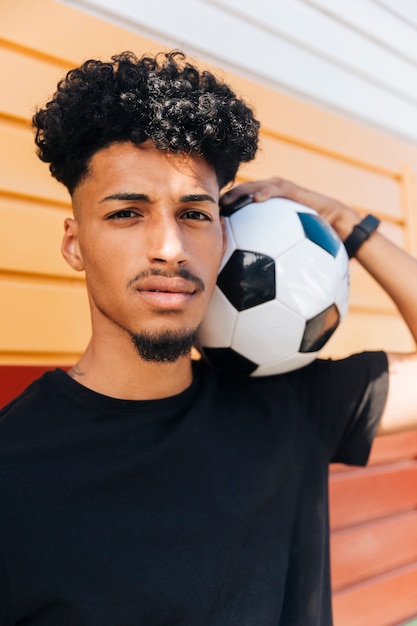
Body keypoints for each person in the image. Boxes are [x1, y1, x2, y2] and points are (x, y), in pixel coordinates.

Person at [0, 50, 416, 626]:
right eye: (126, 214)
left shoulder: (288, 403)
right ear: (74, 243)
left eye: (194, 214)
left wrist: (344, 222)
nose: (170, 247)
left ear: (224, 237)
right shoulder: (14, 471)